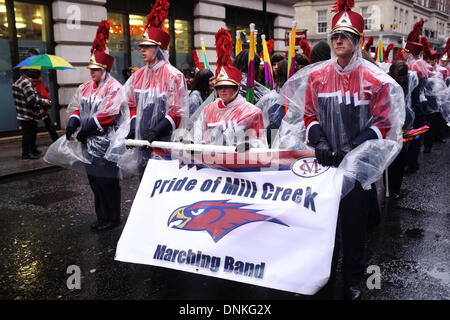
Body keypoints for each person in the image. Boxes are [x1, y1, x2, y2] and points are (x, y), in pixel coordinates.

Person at [279, 0, 404, 299]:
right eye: (335, 35)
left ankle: (351, 279)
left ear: (357, 42)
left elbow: (384, 123)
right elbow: (307, 114)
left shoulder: (374, 80)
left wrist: (353, 147)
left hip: (356, 166)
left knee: (353, 226)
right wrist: (319, 139)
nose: (338, 40)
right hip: (324, 163)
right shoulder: (318, 76)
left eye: (345, 35)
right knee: (322, 224)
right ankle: (321, 276)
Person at [109, 0, 188, 179]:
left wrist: (157, 130)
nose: (142, 50)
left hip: (163, 142)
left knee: (162, 187)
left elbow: (177, 111)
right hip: (142, 142)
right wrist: (133, 128)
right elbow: (131, 104)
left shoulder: (173, 76)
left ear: (159, 49)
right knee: (143, 184)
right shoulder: (137, 76)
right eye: (142, 46)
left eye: (147, 46)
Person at [63, 20, 123, 232]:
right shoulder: (86, 87)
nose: (92, 73)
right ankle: (101, 216)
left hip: (105, 143)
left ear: (105, 69)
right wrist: (72, 124)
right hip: (88, 144)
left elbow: (107, 115)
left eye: (96, 70)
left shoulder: (115, 88)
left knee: (108, 182)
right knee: (95, 183)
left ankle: (113, 218)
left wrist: (85, 131)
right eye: (91, 69)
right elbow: (78, 108)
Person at [190, 64, 267, 148]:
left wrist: (249, 145)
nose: (222, 90)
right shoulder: (208, 109)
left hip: (239, 159)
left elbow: (261, 143)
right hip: (211, 158)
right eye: (219, 87)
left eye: (226, 86)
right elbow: (196, 136)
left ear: (237, 87)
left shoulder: (252, 112)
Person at [12, 69, 51, 160]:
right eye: (34, 80)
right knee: (28, 134)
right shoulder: (26, 83)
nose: (34, 82)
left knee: (31, 133)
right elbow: (32, 99)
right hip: (28, 113)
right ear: (31, 77)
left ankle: (33, 150)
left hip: (21, 112)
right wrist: (44, 101)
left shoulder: (18, 81)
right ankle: (26, 153)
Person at [26, 49, 59, 143]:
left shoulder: (34, 68)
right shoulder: (34, 73)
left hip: (37, 100)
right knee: (44, 123)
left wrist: (45, 88)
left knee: (41, 124)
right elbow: (43, 94)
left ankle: (33, 146)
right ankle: (55, 140)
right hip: (38, 101)